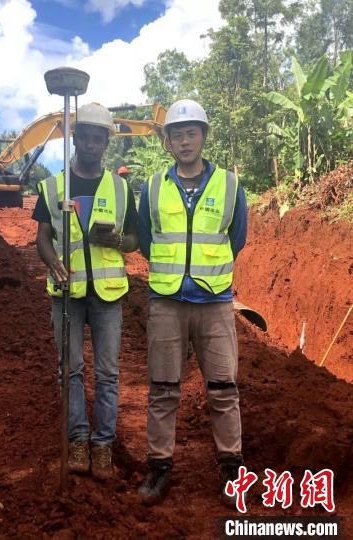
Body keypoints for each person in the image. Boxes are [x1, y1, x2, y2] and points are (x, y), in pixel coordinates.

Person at [137, 99, 247, 506]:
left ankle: (231, 471)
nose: (184, 141)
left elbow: (237, 238)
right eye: (176, 134)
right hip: (166, 301)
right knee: (163, 389)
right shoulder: (152, 187)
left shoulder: (230, 186)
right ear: (167, 141)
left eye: (191, 132)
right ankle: (159, 468)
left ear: (203, 135)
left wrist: (204, 272)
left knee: (223, 388)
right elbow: (148, 241)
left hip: (215, 303)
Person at [32, 102, 138, 480]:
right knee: (70, 369)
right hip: (66, 293)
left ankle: (103, 444)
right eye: (86, 137)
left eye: (99, 138)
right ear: (75, 139)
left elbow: (134, 240)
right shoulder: (53, 186)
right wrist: (51, 262)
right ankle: (78, 438)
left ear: (107, 142)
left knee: (107, 372)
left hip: (108, 294)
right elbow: (42, 237)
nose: (92, 144)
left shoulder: (122, 189)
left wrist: (119, 240)